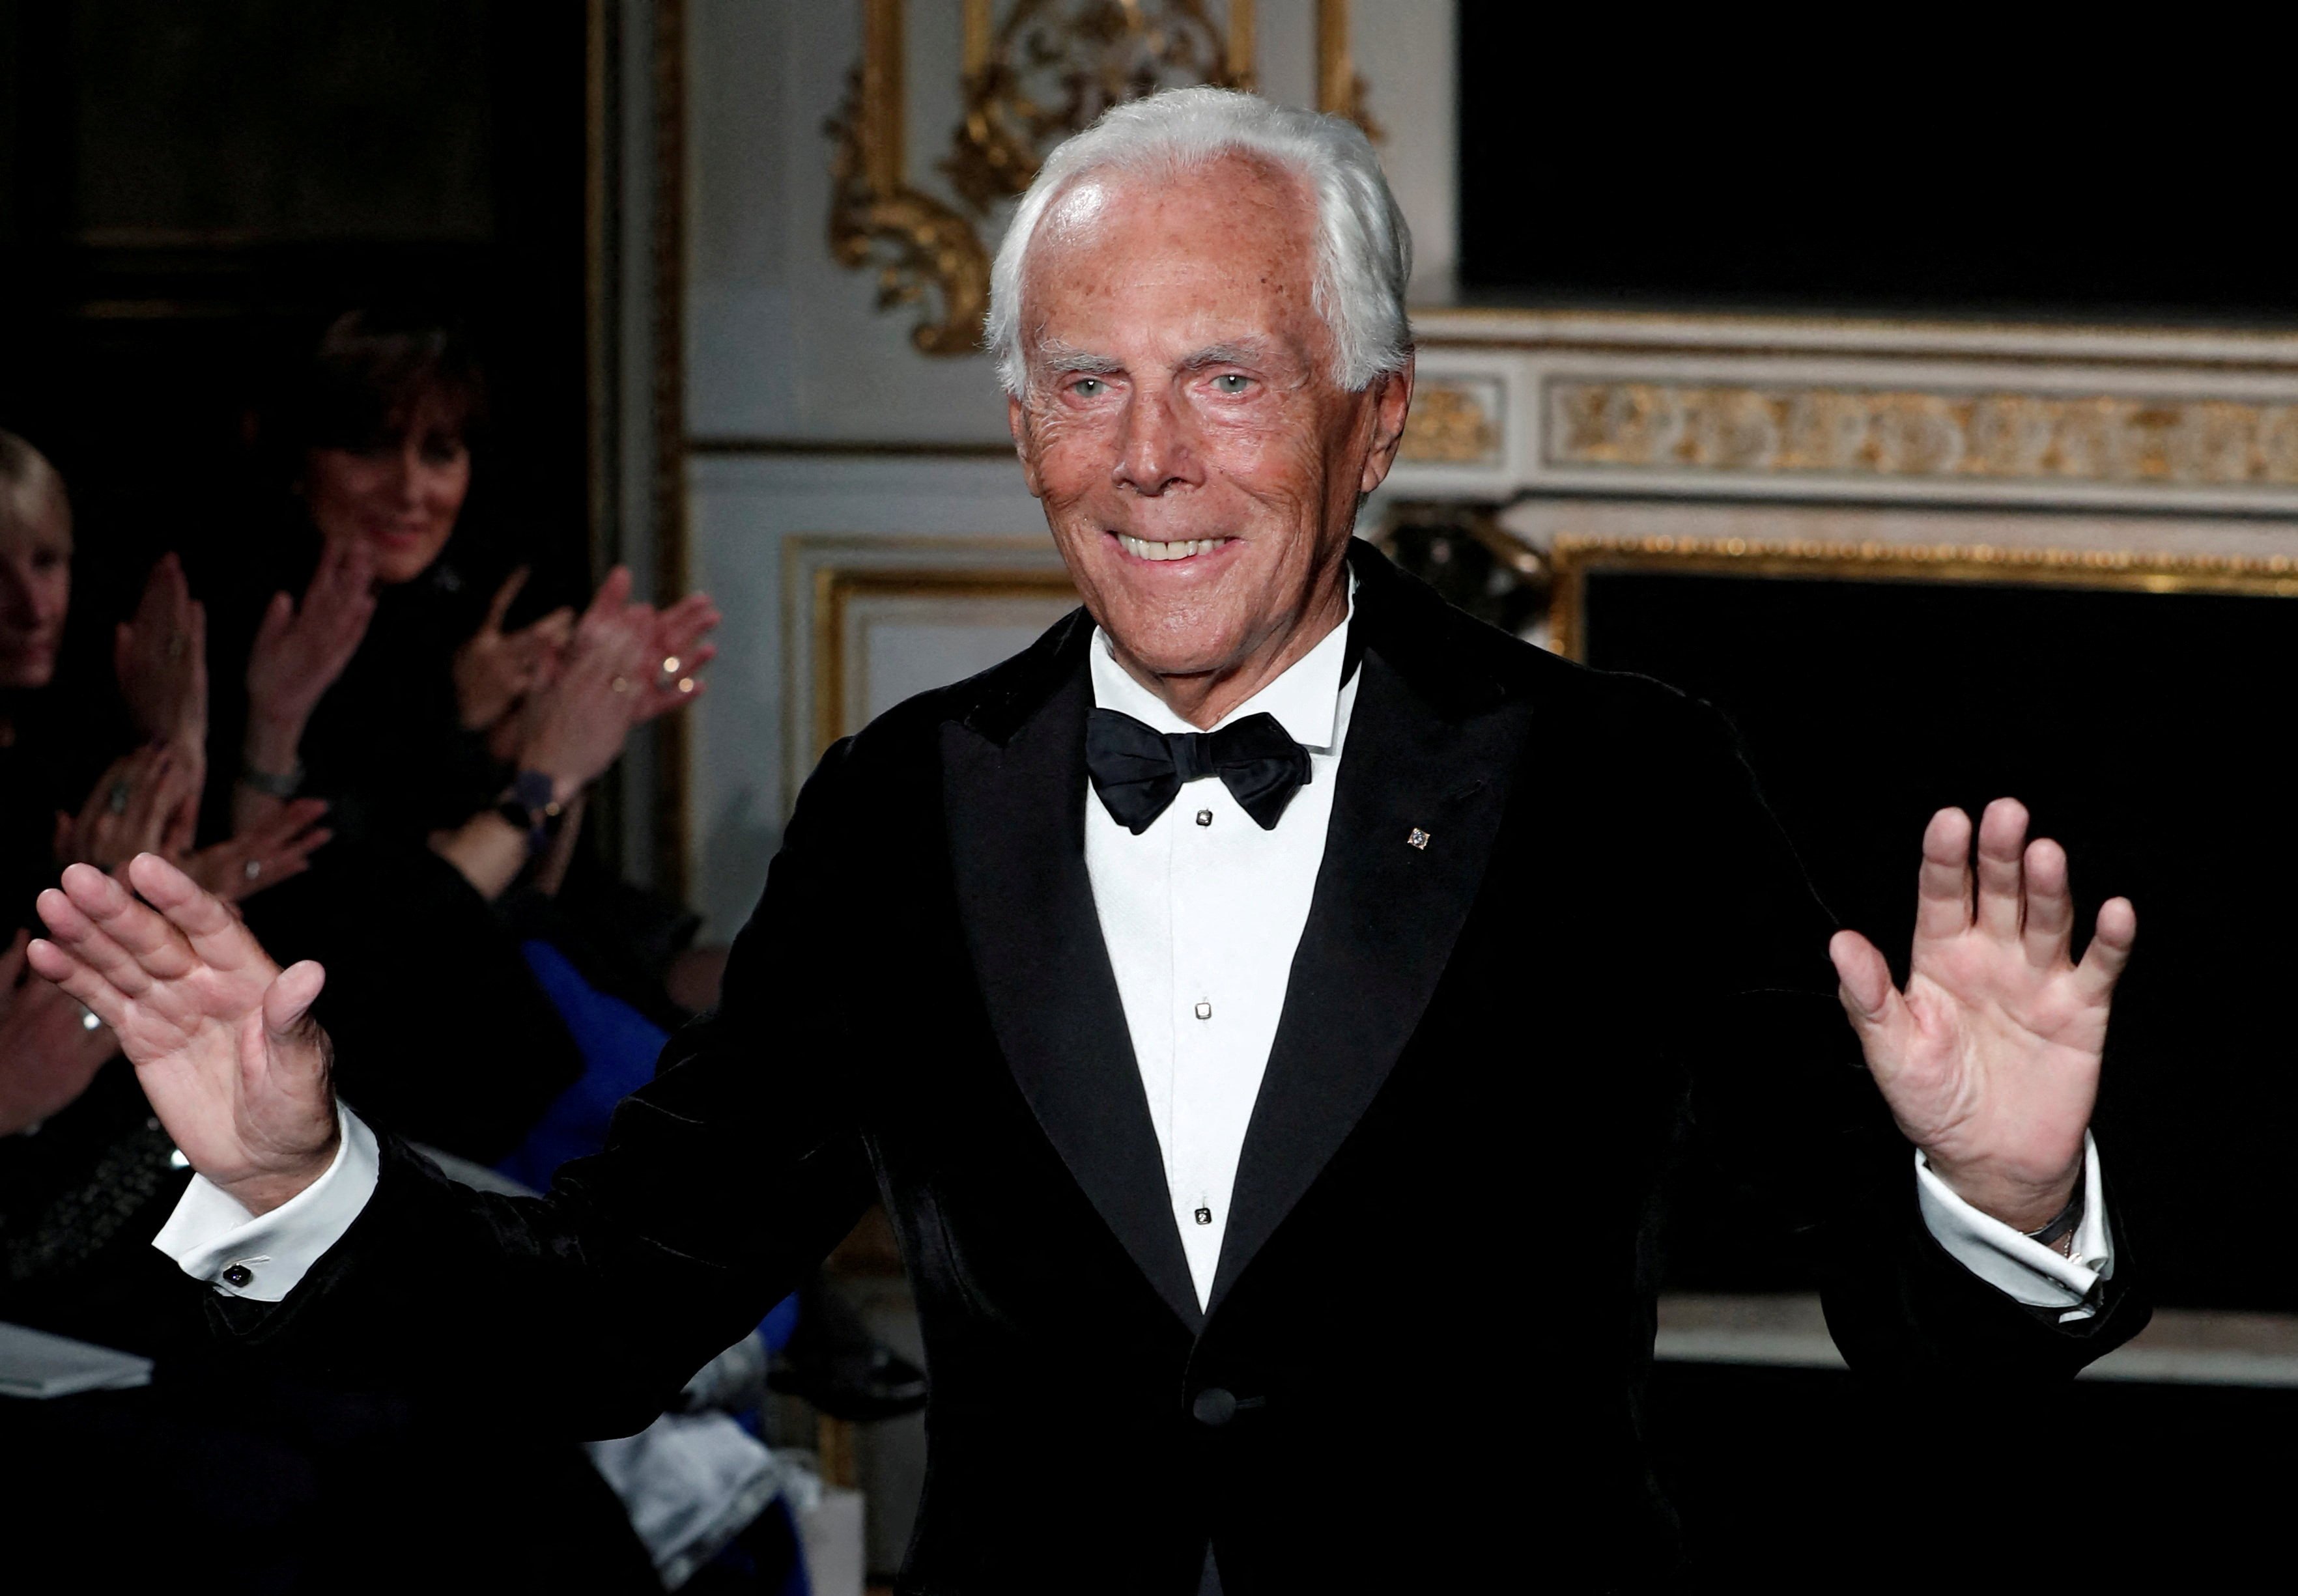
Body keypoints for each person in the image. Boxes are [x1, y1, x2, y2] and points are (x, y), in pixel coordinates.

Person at [29, 91, 2147, 1591]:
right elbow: (606, 1311)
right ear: (1020, 423)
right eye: (1080, 383)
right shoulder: (900, 812)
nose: (1146, 462)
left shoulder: (1616, 780)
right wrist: (299, 1175)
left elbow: (1929, 1345)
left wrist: (1997, 1187)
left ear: (1370, 413)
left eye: (1224, 378)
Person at [200, 310, 720, 1158]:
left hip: (495, 1023)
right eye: (371, 449)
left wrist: (563, 742)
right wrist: (535, 779)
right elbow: (390, 939)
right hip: (370, 1076)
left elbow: (533, 893)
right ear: (300, 461)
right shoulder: (254, 631)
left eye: (440, 453)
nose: (411, 490)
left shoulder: (445, 615)